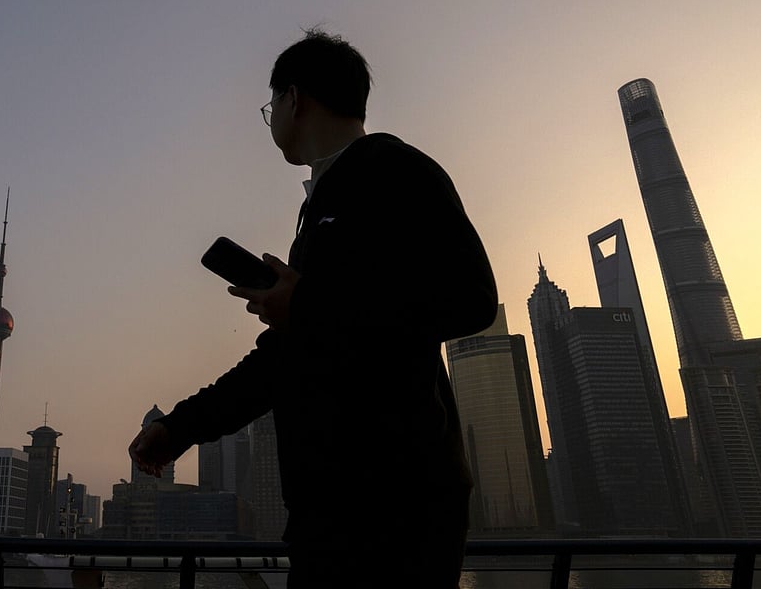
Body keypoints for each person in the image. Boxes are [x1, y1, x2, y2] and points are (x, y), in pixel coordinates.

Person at [128, 29, 498, 588]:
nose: (270, 118)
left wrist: (308, 300)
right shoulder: (319, 205)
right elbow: (285, 358)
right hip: (330, 511)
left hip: (395, 506)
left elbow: (472, 299)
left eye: (270, 105)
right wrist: (180, 428)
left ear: (294, 99)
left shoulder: (396, 169)